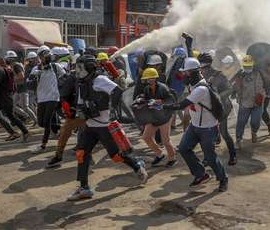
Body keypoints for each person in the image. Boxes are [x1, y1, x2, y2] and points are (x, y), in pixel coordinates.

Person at [68, 55, 148, 201]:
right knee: (81, 153)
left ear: (89, 67)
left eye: (80, 67)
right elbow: (80, 102)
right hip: (90, 125)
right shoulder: (81, 82)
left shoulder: (99, 80)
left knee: (116, 156)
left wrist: (111, 109)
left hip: (104, 126)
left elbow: (117, 91)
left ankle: (136, 165)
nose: (77, 70)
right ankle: (84, 188)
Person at [163, 57, 228, 192]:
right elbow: (191, 58)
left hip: (208, 128)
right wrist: (188, 44)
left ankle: (223, 179)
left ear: (193, 73)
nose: (183, 75)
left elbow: (182, 105)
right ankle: (201, 174)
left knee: (210, 157)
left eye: (185, 73)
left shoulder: (201, 89)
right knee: (183, 148)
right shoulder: (194, 82)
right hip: (195, 126)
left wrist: (162, 106)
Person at [198, 52, 237, 166]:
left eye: (204, 65)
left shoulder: (218, 75)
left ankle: (233, 155)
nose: (203, 68)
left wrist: (218, 95)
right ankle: (207, 158)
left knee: (224, 132)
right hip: (208, 108)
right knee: (206, 135)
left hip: (222, 107)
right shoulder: (200, 75)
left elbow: (230, 89)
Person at [28, 46, 65, 153]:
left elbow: (65, 77)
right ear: (39, 57)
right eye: (44, 55)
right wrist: (35, 77)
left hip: (53, 97)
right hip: (41, 98)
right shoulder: (36, 69)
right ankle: (61, 128)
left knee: (47, 122)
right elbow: (29, 83)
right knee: (41, 123)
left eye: (48, 54)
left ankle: (43, 145)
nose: (47, 57)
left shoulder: (55, 66)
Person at [137, 68, 177, 167]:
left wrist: (159, 102)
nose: (149, 80)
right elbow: (147, 100)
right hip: (153, 117)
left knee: (165, 140)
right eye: (147, 78)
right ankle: (159, 154)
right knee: (146, 137)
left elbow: (171, 101)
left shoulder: (163, 88)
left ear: (155, 78)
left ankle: (172, 159)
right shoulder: (147, 89)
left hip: (165, 117)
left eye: (151, 78)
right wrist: (141, 99)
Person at [232, 55, 265, 149]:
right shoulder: (239, 75)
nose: (247, 68)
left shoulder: (257, 74)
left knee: (255, 122)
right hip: (244, 102)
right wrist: (235, 89)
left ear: (252, 66)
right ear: (243, 66)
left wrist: (260, 96)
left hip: (257, 103)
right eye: (246, 67)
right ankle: (238, 140)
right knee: (241, 122)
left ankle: (254, 132)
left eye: (249, 67)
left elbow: (260, 86)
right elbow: (234, 86)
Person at [5, 50, 37, 125]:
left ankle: (35, 120)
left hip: (22, 88)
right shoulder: (14, 66)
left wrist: (11, 79)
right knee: (12, 106)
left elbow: (22, 76)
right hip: (18, 89)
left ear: (10, 59)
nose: (6, 60)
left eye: (7, 59)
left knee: (25, 107)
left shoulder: (16, 66)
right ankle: (27, 116)